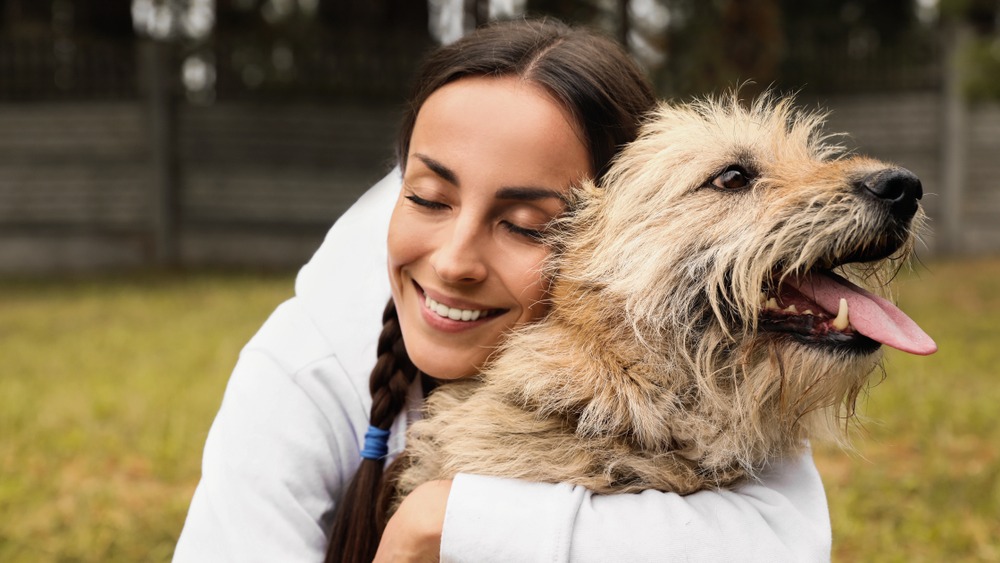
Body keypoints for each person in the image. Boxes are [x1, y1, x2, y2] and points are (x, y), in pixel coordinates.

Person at [173, 19, 832, 563]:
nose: (455, 261)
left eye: (524, 226)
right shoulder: (307, 360)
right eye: (428, 198)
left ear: (626, 234)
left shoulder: (684, 345)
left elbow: (784, 541)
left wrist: (444, 520)